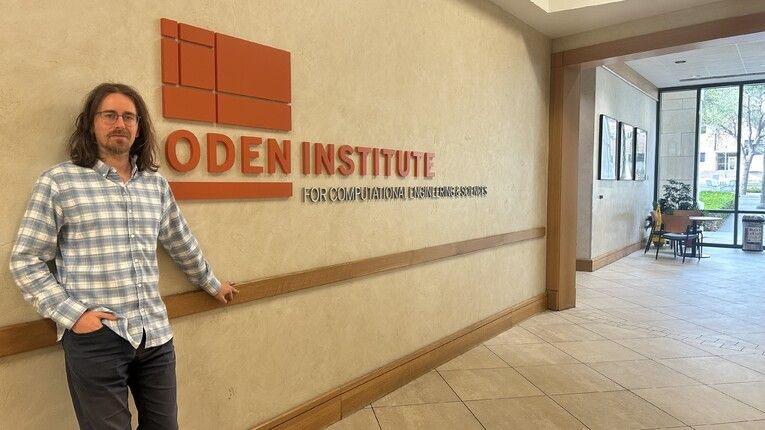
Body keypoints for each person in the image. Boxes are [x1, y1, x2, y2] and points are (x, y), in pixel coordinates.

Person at [9, 82, 239, 429]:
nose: (120, 123)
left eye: (129, 117)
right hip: (97, 340)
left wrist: (212, 283)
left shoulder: (155, 185)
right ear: (91, 123)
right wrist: (75, 316)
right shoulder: (60, 182)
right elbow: (26, 260)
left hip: (155, 335)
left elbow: (181, 242)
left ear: (139, 127)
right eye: (110, 115)